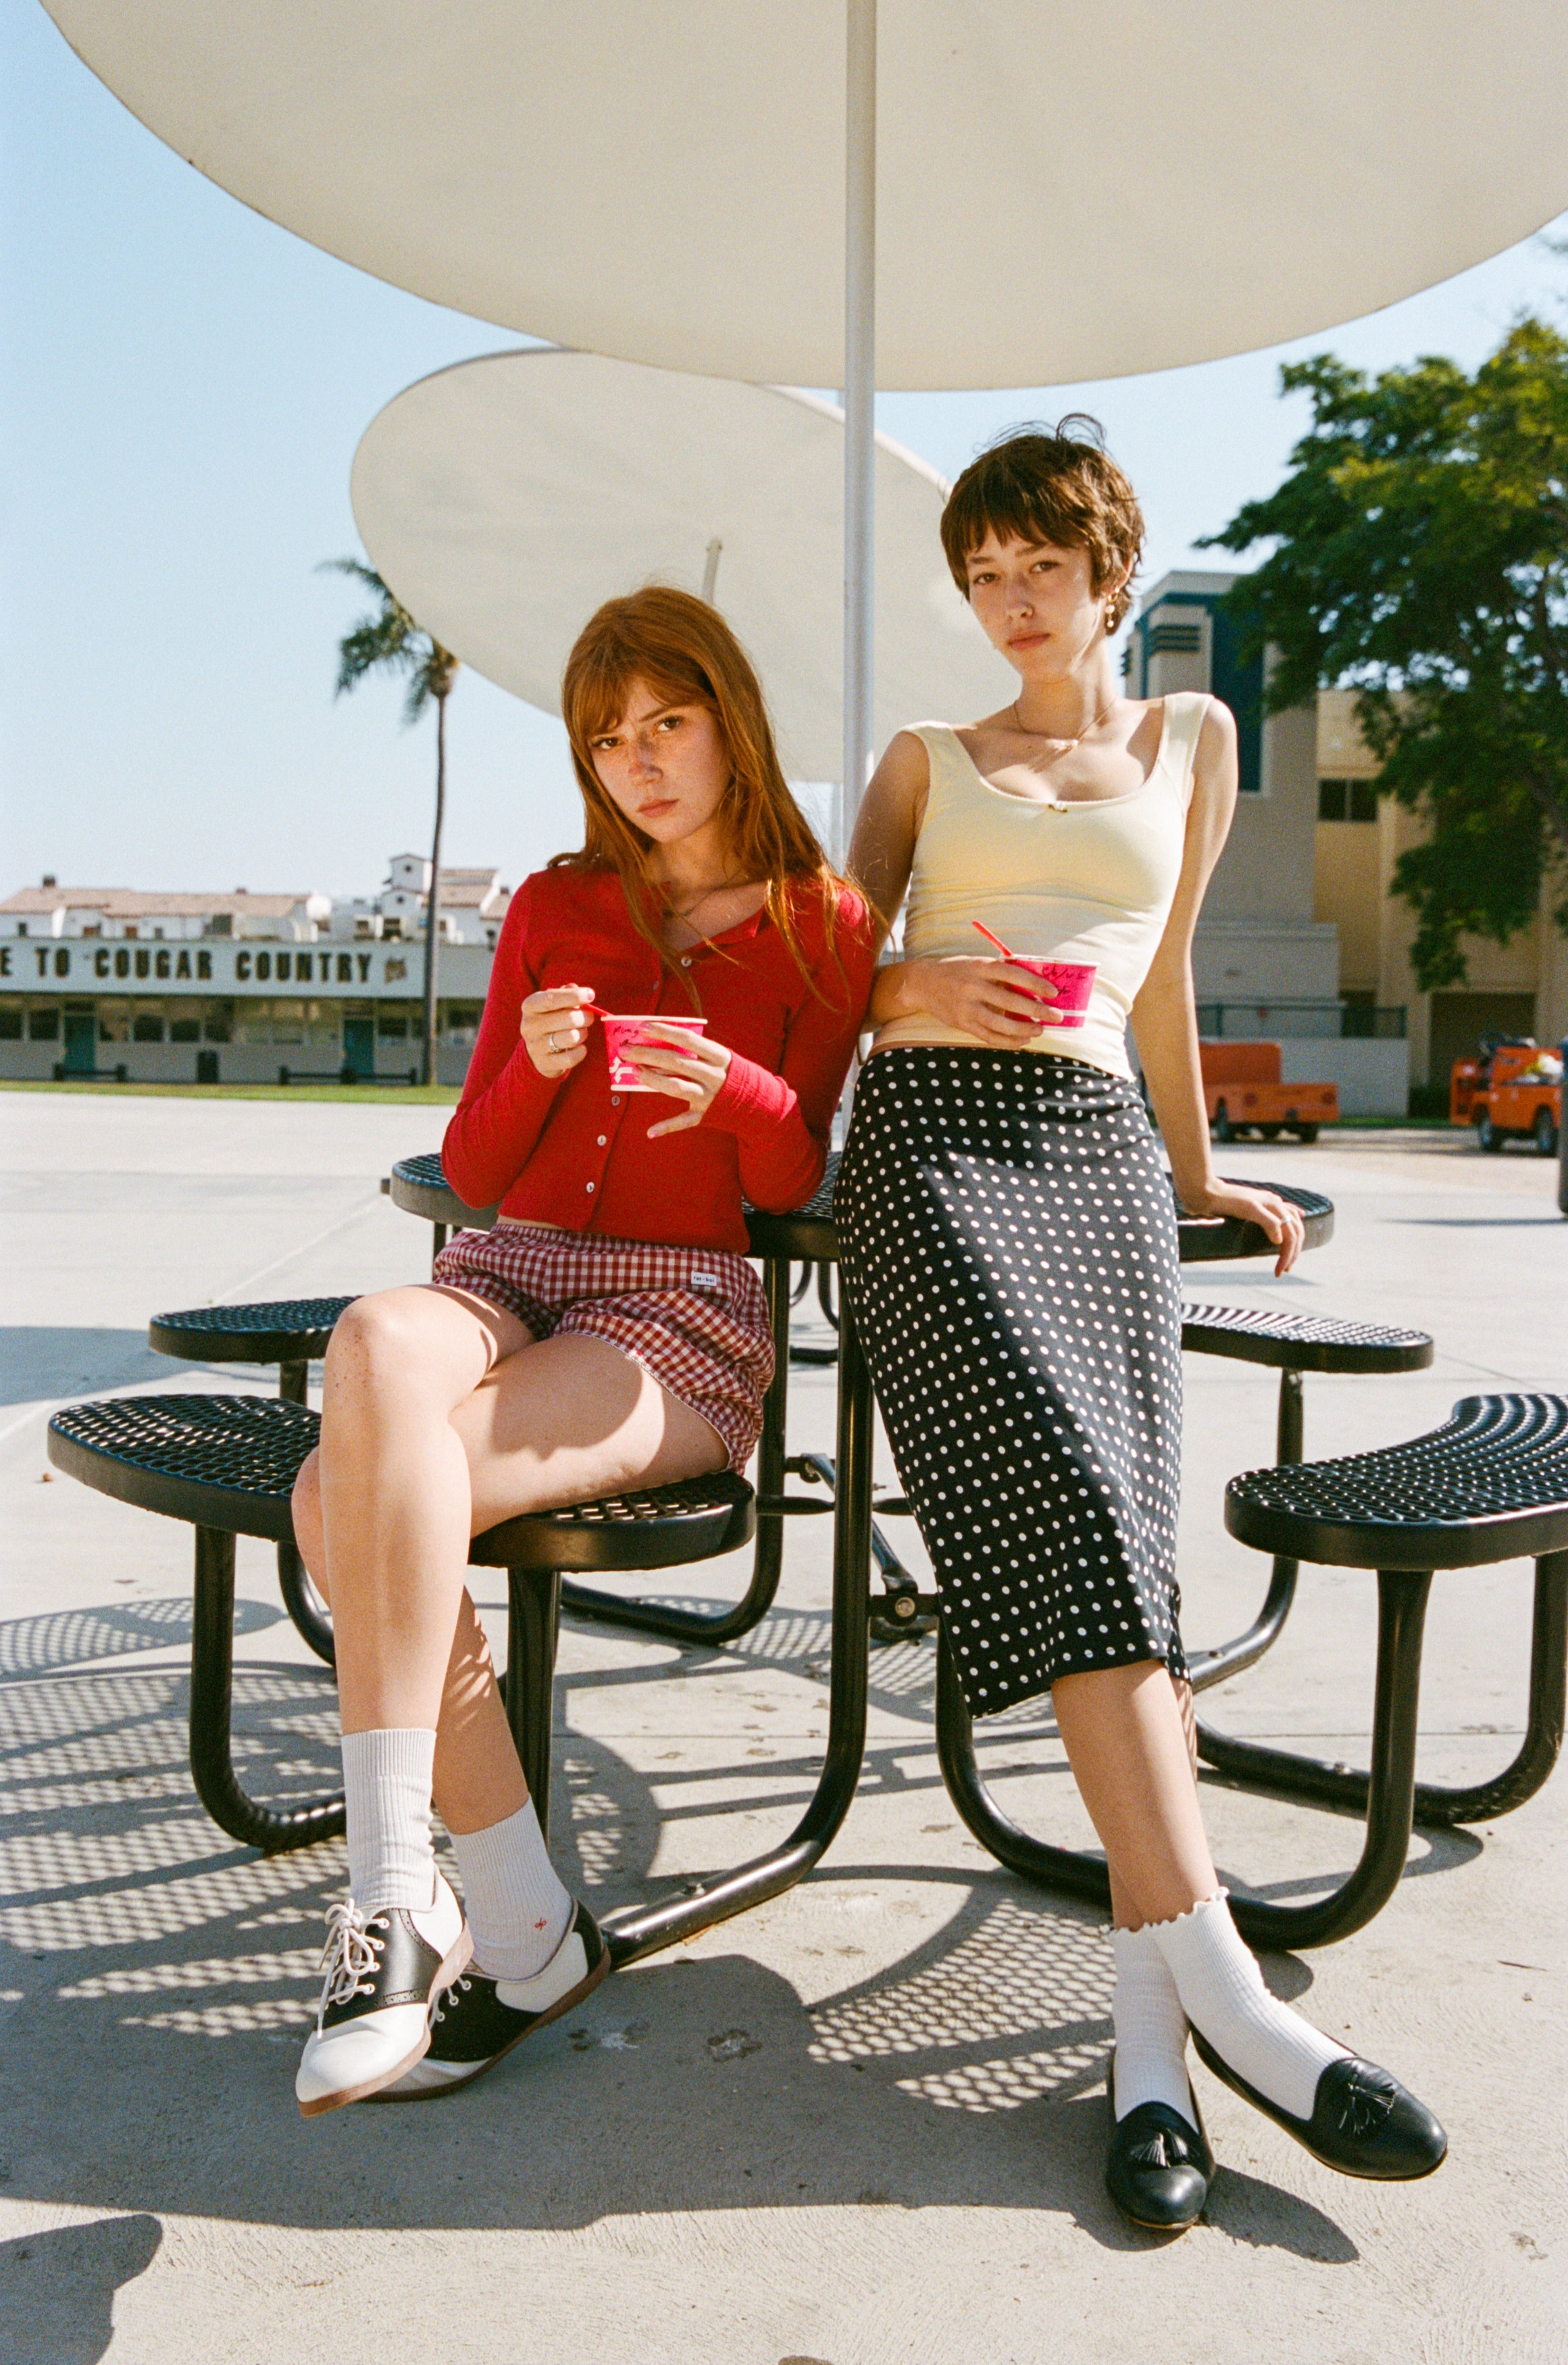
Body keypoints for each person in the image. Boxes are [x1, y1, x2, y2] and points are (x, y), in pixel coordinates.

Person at [837, 422, 1445, 2230]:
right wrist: (906, 980)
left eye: (1042, 567)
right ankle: (1241, 1998)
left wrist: (1203, 1169)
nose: (1013, 606)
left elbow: (1160, 970)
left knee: (1126, 1554)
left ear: (1112, 567)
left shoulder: (1193, 742)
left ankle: (1150, 2047)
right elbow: (808, 977)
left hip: (1098, 1156)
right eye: (982, 576)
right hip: (935, 1147)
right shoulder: (922, 761)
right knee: (1071, 1501)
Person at [289, 586, 876, 2116]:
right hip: (513, 1261)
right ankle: (420, 1897)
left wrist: (747, 1098)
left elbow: (797, 1178)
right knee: (372, 1338)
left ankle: (501, 1925)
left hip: (675, 1304)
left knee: (332, 1508)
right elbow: (473, 1171)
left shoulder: (827, 924)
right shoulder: (556, 905)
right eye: (607, 738)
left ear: (728, 720)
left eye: (665, 724)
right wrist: (538, 1067)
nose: (638, 762)